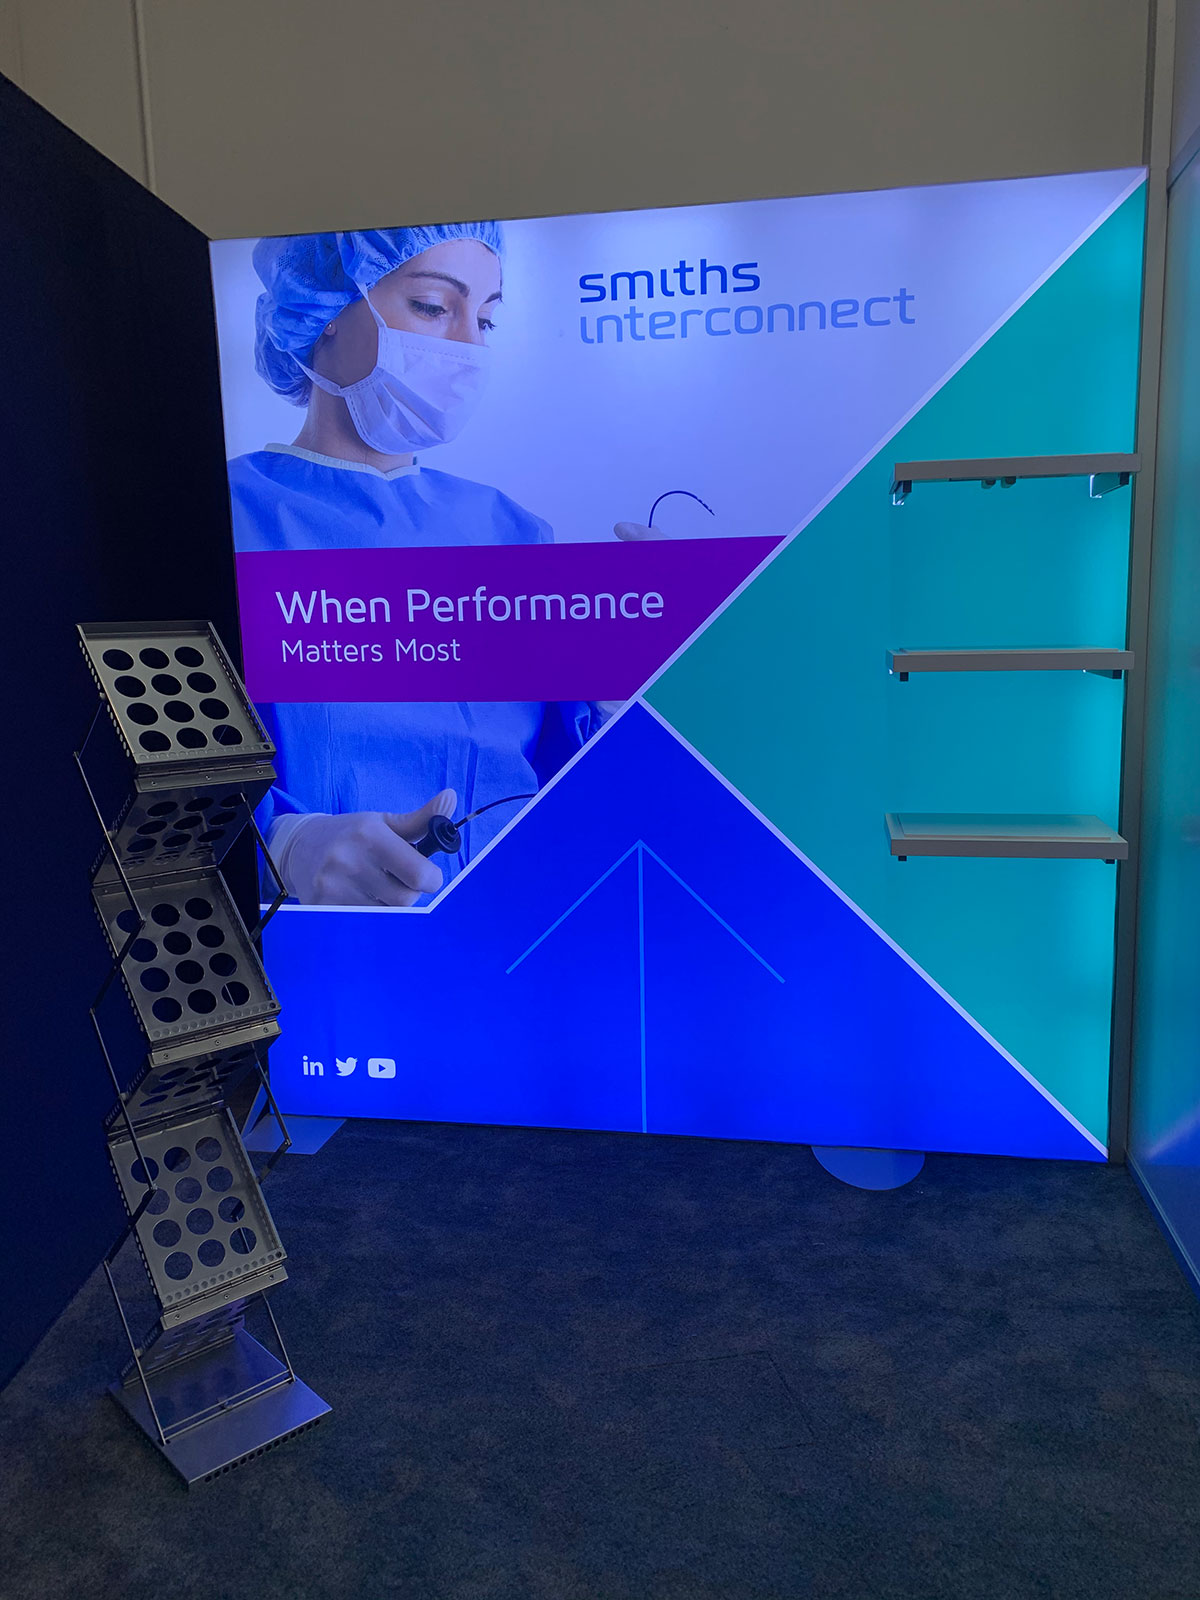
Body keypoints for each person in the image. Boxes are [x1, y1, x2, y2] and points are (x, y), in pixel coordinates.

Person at [229, 224, 604, 907]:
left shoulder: (515, 535)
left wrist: (648, 671)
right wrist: (280, 846)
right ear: (324, 309)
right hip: (305, 947)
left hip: (515, 932)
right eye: (433, 306)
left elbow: (580, 786)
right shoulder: (229, 517)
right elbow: (155, 767)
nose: (467, 347)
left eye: (485, 319)